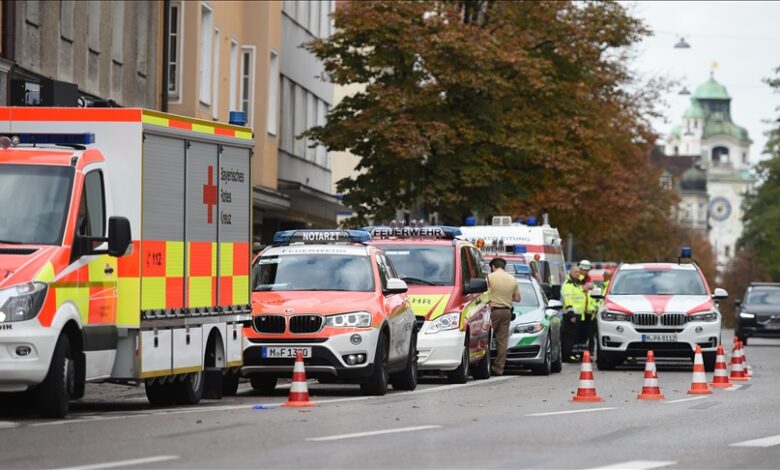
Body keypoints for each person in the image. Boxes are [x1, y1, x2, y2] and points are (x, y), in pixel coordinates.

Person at [487, 257, 521, 376]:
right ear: (504, 267)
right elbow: (517, 298)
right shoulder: (512, 279)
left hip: (492, 312)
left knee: (486, 339)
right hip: (506, 312)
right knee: (502, 342)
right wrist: (505, 297)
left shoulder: (489, 277)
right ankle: (498, 369)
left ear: (493, 267)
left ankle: (484, 366)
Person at [561, 265, 584, 361]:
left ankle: (571, 355)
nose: (578, 274)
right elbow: (568, 300)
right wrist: (572, 315)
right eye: (575, 272)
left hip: (578, 315)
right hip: (571, 315)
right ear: (570, 272)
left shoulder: (577, 284)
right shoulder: (568, 284)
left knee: (574, 337)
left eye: (579, 272)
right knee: (568, 338)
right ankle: (566, 356)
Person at [576, 259, 598, 354]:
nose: (585, 272)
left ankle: (586, 352)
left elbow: (593, 297)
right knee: (578, 334)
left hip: (588, 312)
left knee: (588, 334)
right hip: (578, 312)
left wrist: (593, 308)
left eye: (587, 270)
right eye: (583, 270)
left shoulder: (589, 281)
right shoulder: (577, 280)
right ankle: (578, 352)